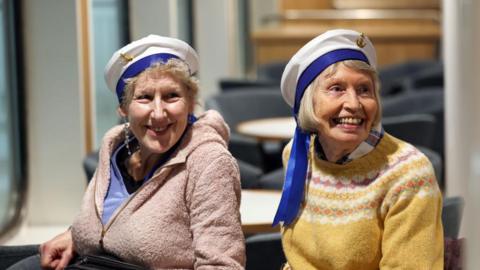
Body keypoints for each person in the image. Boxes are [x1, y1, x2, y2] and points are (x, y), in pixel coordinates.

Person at [9, 35, 245, 269]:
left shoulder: (209, 163)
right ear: (123, 108)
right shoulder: (115, 151)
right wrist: (74, 236)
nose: (159, 113)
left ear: (191, 102)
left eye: (172, 96)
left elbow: (221, 266)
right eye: (144, 97)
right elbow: (116, 219)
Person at [272, 29, 443, 269]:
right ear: (308, 101)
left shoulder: (408, 175)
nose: (353, 104)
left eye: (364, 90)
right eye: (336, 89)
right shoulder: (298, 155)